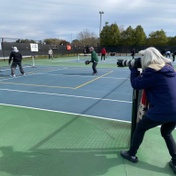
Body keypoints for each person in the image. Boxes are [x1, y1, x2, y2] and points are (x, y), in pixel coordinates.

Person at [120, 47, 176, 174]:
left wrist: (133, 69)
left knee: (140, 127)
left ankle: (131, 154)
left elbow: (136, 84)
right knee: (166, 132)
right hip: (175, 109)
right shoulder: (169, 68)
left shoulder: (153, 72)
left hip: (163, 109)